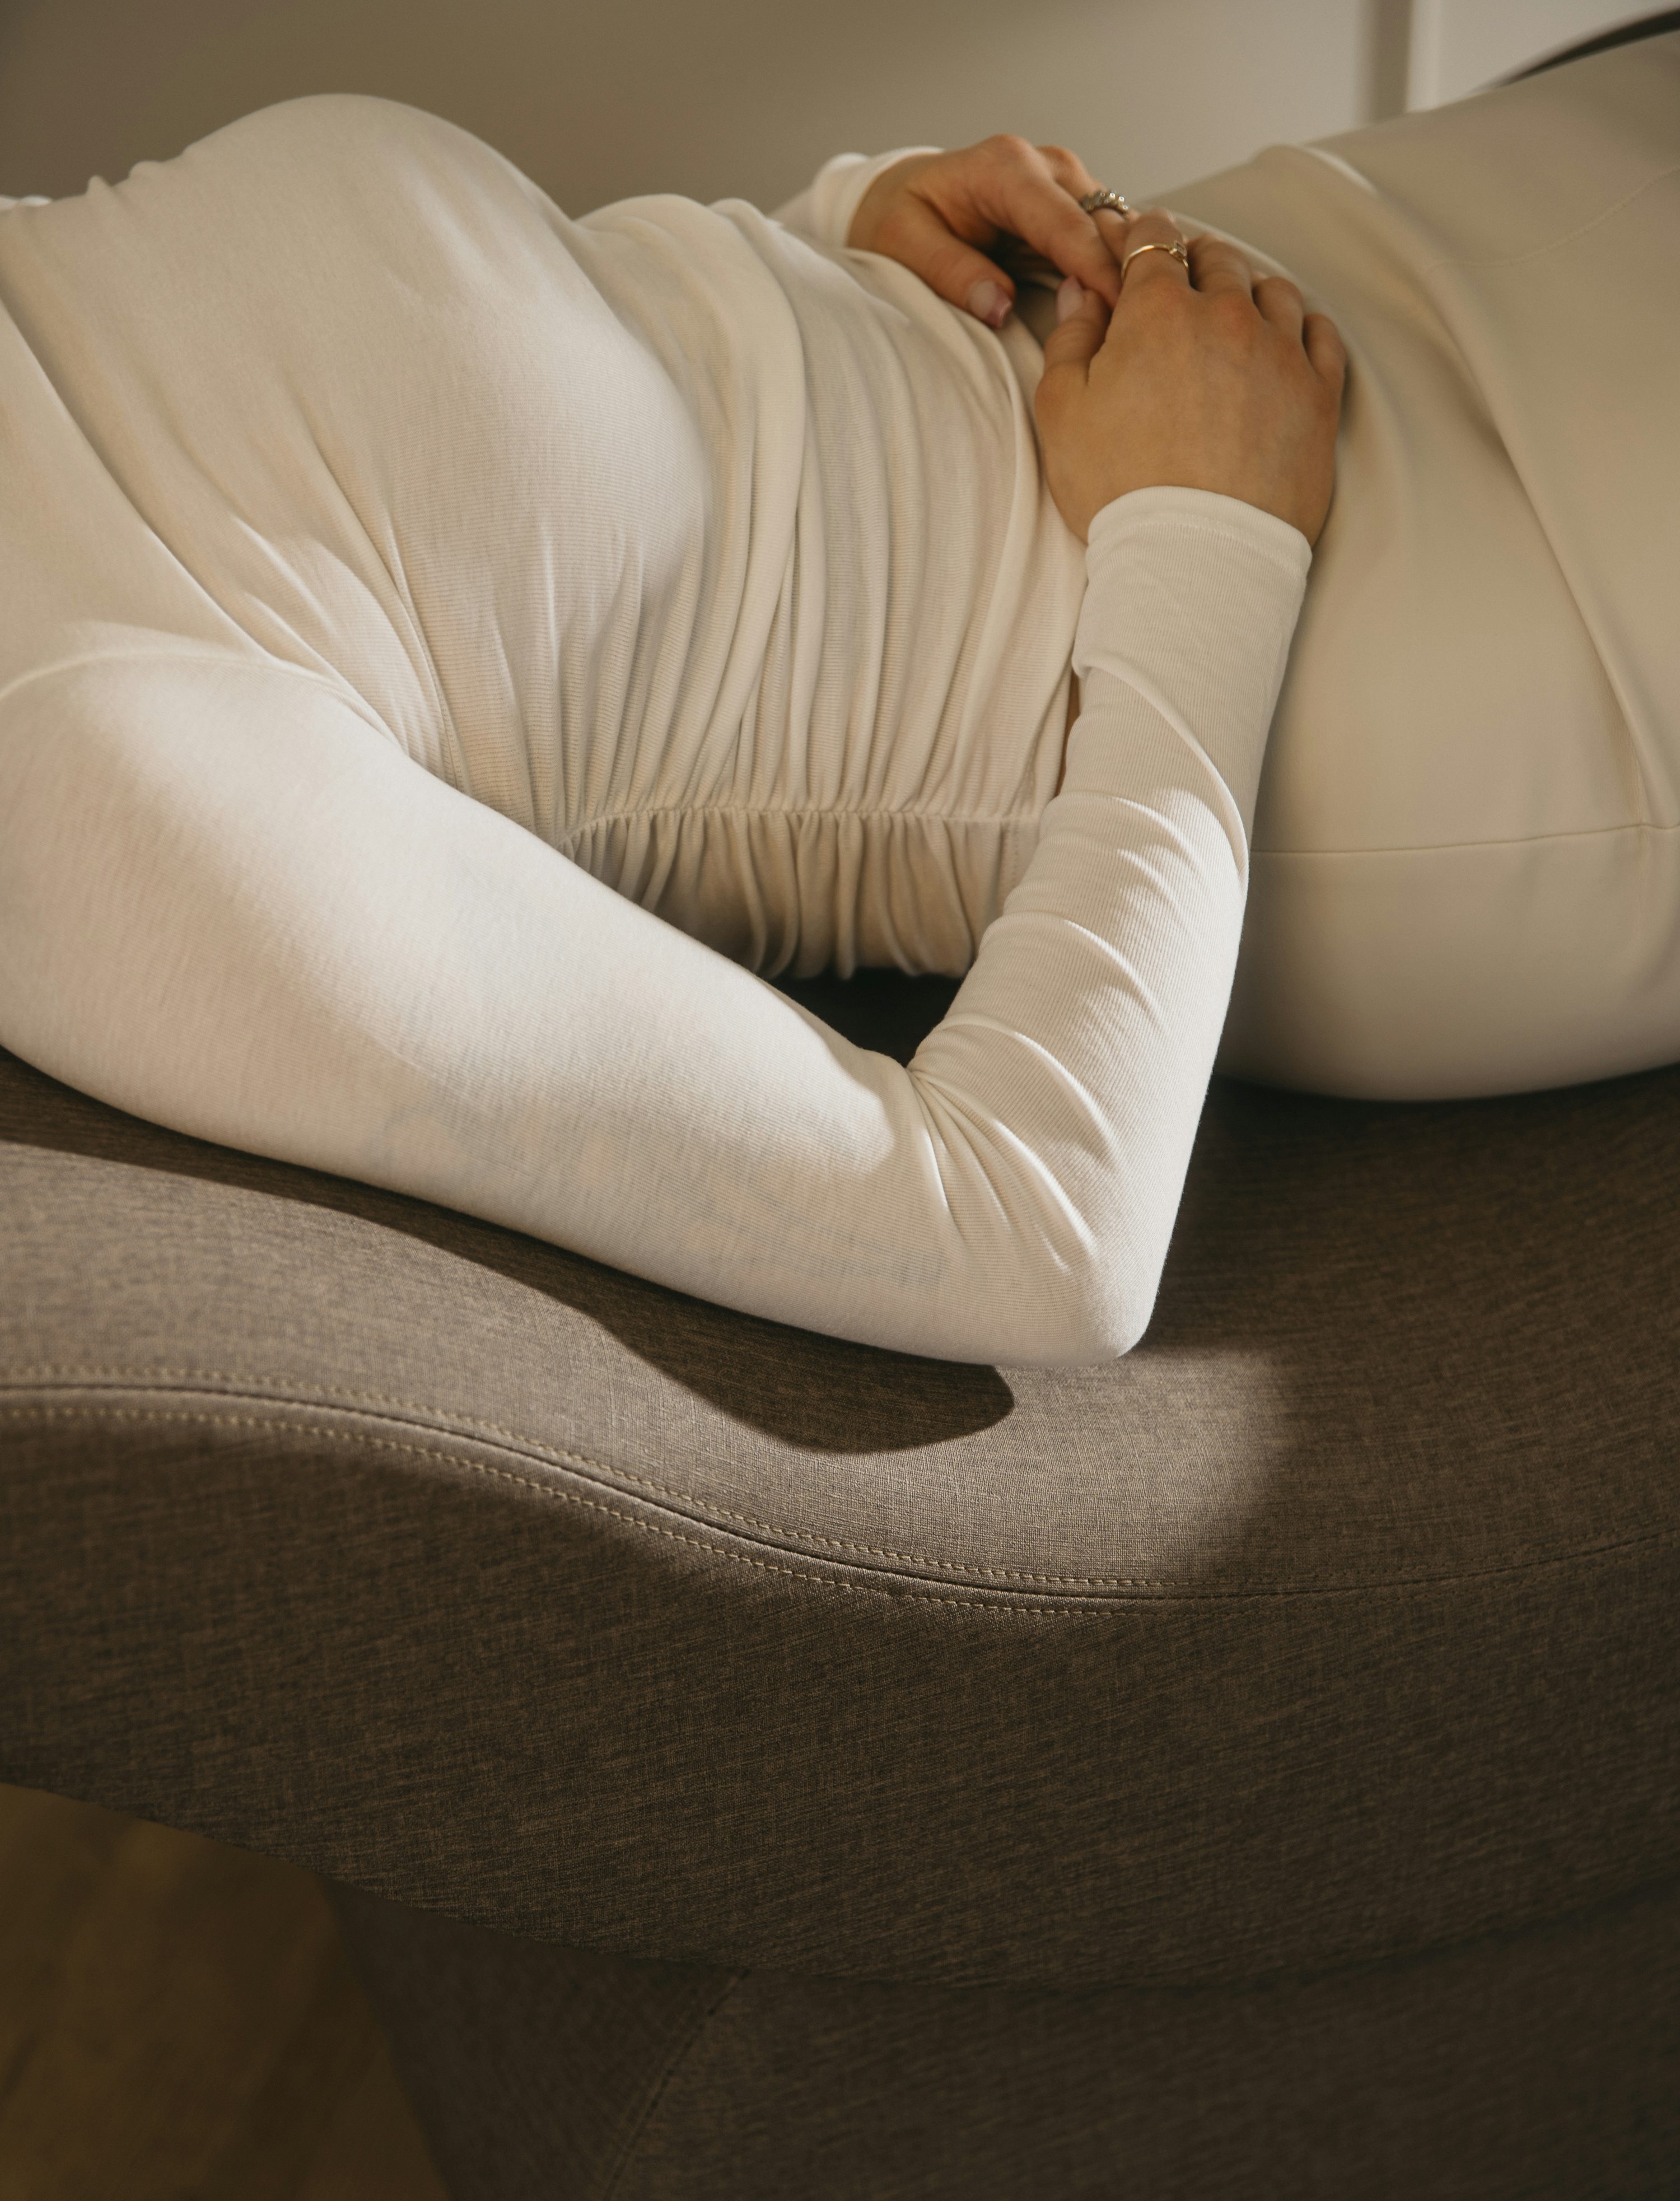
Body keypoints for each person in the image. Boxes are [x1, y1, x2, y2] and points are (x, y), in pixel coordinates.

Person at [0, 37, 1672, 1368]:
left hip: (1223, 308)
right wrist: (1208, 533)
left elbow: (531, 463)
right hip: (1389, 653)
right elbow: (1028, 1236)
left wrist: (837, 236)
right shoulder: (73, 773)